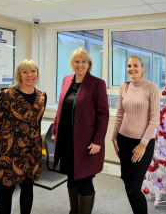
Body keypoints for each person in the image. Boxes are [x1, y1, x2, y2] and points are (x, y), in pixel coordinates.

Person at [51, 48, 109, 214]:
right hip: (67, 140)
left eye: (84, 61)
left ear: (89, 64)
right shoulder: (66, 80)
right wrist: (55, 130)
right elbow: (60, 109)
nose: (80, 65)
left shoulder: (97, 84)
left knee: (84, 179)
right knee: (71, 176)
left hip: (86, 142)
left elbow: (103, 115)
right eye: (77, 61)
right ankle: (73, 210)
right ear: (72, 64)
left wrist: (98, 140)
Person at [0, 59, 47, 214]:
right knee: (7, 191)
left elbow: (37, 122)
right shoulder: (6, 95)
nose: (30, 75)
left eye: (33, 71)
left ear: (37, 74)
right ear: (19, 75)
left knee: (28, 188)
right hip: (10, 152)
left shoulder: (42, 96)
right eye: (25, 72)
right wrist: (10, 137)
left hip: (32, 151)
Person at [112, 55, 160, 214]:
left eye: (135, 66)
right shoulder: (124, 87)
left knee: (134, 186)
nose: (132, 69)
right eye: (129, 66)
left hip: (142, 143)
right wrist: (113, 136)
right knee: (127, 182)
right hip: (123, 140)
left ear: (142, 68)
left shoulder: (151, 88)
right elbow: (119, 114)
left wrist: (143, 144)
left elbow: (154, 119)